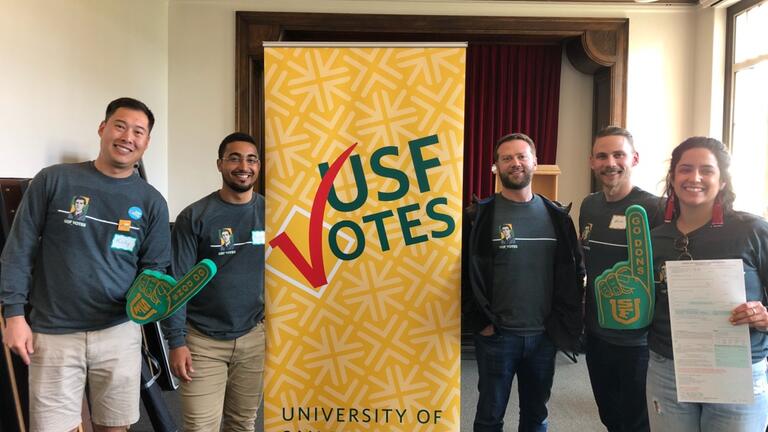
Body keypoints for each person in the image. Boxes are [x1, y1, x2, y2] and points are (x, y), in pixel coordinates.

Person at [0, 97, 170, 432]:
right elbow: (17, 250)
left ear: (146, 143)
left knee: (114, 426)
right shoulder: (53, 180)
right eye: (120, 126)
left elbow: (154, 269)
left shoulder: (152, 202)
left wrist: (154, 300)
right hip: (53, 332)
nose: (128, 137)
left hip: (119, 332)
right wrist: (14, 315)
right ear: (103, 128)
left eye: (138, 132)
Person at [463, 132, 585, 432]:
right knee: (489, 417)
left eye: (521, 156)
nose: (515, 163)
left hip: (544, 337)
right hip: (497, 337)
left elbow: (574, 272)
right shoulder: (478, 216)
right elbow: (464, 276)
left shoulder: (558, 217)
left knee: (536, 416)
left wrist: (562, 324)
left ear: (535, 162)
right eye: (506, 158)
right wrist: (482, 323)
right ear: (496, 167)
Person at [647, 136, 768, 432]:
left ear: (723, 181)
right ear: (673, 178)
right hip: (667, 369)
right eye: (685, 169)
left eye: (707, 170)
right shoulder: (655, 238)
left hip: (736, 371)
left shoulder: (752, 231)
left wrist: (765, 316)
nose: (695, 178)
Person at [161, 132, 265, 431]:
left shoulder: (271, 212)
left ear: (258, 166)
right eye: (234, 158)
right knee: (199, 427)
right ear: (220, 164)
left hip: (253, 337)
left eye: (251, 159)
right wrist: (176, 341)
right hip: (201, 342)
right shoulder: (195, 216)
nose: (243, 165)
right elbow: (177, 282)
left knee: (242, 423)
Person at [579, 126, 661, 432]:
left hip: (638, 343)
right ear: (592, 162)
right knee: (610, 416)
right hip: (597, 334)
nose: (610, 162)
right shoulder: (589, 206)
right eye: (602, 156)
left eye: (618, 154)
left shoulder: (655, 209)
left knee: (638, 421)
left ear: (634, 159)